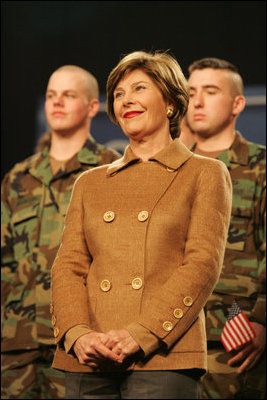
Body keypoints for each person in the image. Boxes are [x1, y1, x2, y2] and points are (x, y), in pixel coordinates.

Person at [50, 50, 232, 399]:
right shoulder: (90, 182)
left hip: (162, 355)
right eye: (118, 94)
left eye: (138, 89)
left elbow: (202, 264)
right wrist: (76, 333)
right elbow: (69, 267)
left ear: (170, 102)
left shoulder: (204, 173)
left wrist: (142, 332)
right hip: (90, 357)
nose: (126, 100)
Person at [1, 65, 121, 399]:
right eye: (52, 95)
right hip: (17, 341)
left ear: (92, 106)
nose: (57, 103)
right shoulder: (17, 178)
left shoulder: (112, 170)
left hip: (79, 340)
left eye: (68, 95)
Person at [186, 57, 266, 399]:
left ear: (237, 104)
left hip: (233, 334)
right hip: (170, 337)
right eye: (191, 92)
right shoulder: (168, 168)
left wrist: (263, 319)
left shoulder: (260, 168)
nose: (197, 101)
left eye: (210, 91)